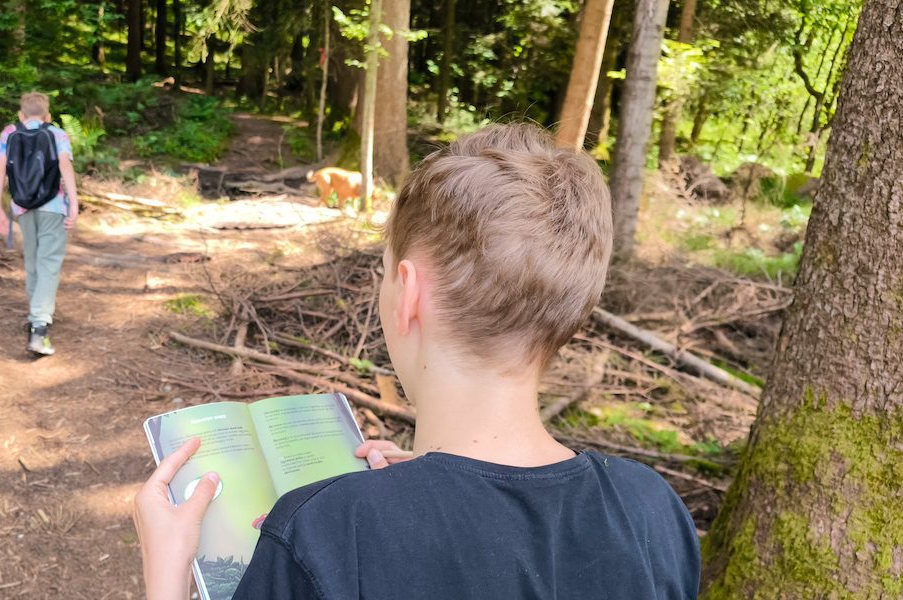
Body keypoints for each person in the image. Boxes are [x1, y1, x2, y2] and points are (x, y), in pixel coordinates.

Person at [132, 124, 700, 599]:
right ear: (574, 310)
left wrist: (167, 572)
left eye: (384, 271)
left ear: (409, 294)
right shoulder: (653, 509)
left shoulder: (325, 531)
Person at [0, 92, 79, 356]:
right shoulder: (57, 133)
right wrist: (73, 202)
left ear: (21, 115)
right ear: (48, 115)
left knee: (32, 262)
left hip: (23, 206)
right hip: (54, 206)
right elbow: (64, 164)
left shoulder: (9, 132)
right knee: (49, 262)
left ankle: (36, 316)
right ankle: (39, 329)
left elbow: (0, 167)